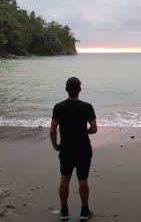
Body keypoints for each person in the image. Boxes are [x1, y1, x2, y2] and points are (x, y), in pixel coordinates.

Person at [50, 77, 97, 221]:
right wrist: (85, 132)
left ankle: (64, 211)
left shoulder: (58, 107)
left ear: (66, 89)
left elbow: (52, 130)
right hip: (83, 148)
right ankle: (84, 211)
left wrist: (55, 145)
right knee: (83, 179)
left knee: (65, 178)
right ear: (80, 90)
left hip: (66, 149)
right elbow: (94, 129)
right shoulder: (87, 107)